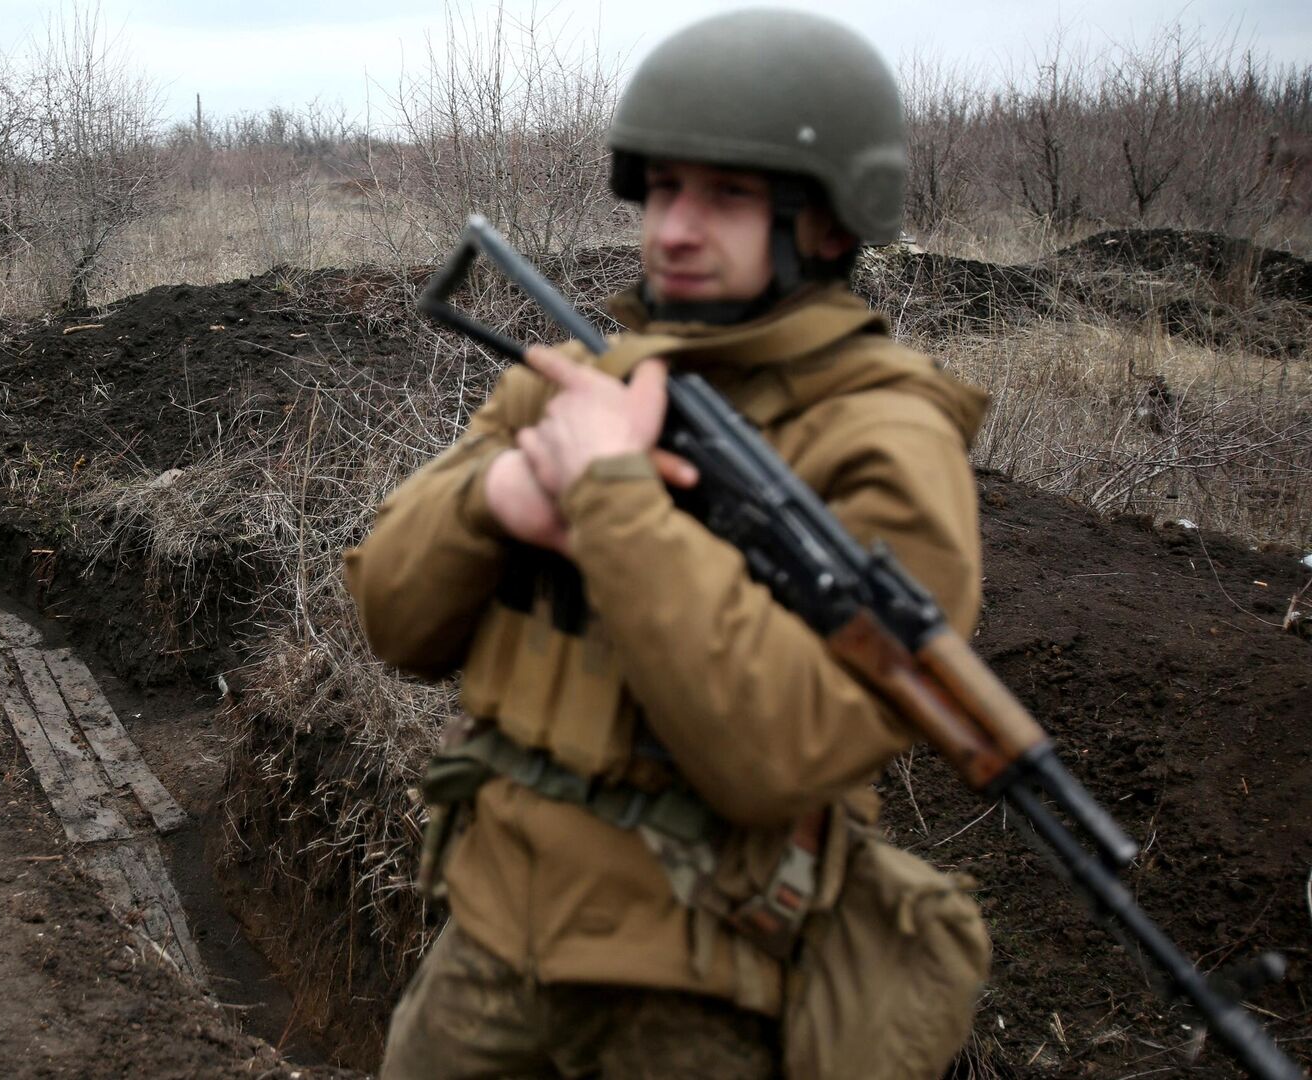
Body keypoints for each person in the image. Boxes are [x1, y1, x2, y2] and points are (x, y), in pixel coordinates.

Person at [345, 10, 989, 1078]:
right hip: (486, 946)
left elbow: (780, 754)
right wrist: (497, 496)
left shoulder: (884, 442)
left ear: (831, 224)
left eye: (728, 196)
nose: (676, 228)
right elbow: (394, 620)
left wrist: (612, 495)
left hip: (702, 994)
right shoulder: (583, 381)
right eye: (665, 190)